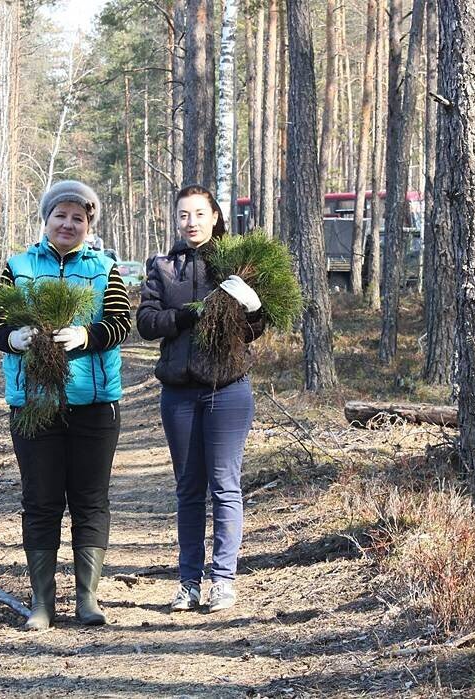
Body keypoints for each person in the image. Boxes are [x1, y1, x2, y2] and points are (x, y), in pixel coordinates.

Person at [0, 180, 131, 630]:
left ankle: (87, 598)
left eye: (78, 217)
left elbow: (121, 323)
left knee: (90, 500)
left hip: (94, 403)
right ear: (46, 219)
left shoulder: (106, 268)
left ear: (89, 225)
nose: (68, 224)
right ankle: (42, 603)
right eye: (60, 215)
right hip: (34, 402)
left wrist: (88, 336)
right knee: (41, 500)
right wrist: (12, 338)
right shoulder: (19, 266)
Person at [136, 183, 265, 613]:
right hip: (179, 393)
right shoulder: (162, 266)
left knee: (225, 486)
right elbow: (147, 322)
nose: (190, 222)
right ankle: (188, 581)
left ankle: (223, 581)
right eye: (183, 215)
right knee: (189, 489)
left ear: (215, 217)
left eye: (198, 214)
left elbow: (255, 329)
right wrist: (183, 317)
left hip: (227, 389)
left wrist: (252, 306)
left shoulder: (234, 264)